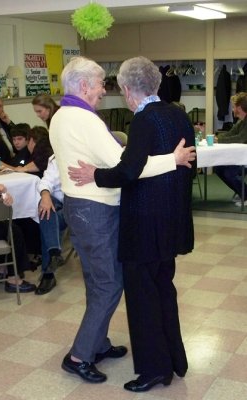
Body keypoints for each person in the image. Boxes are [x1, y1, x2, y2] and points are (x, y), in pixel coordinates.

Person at [49, 56, 196, 384]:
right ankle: (80, 355)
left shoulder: (62, 115)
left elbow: (122, 162)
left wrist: (115, 161)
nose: (104, 90)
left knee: (97, 279)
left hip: (81, 207)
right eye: (101, 84)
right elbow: (126, 165)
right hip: (95, 209)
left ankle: (97, 342)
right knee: (109, 282)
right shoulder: (85, 119)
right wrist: (172, 159)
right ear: (85, 85)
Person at [0, 171, 36, 293]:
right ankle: (13, 279)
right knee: (13, 232)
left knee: (11, 228)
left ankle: (3, 269)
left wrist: (2, 197)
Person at [35, 154, 67, 295]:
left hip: (79, 205)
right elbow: (46, 180)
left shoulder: (87, 152)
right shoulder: (57, 158)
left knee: (47, 224)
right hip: (58, 205)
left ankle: (48, 273)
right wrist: (45, 195)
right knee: (45, 208)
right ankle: (54, 254)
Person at [214, 92, 247, 206]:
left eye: (233, 106)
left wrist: (219, 140)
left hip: (244, 160)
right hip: (240, 157)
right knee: (218, 169)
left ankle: (245, 195)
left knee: (229, 173)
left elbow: (241, 138)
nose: (232, 109)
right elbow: (230, 133)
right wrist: (217, 138)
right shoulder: (241, 121)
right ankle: (242, 192)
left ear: (239, 107)